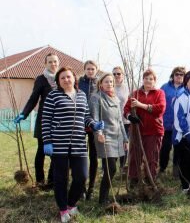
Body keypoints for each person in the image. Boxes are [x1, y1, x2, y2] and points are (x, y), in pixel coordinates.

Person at [41, 66, 104, 222]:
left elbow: (86, 116)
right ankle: (63, 210)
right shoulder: (53, 95)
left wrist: (93, 124)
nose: (66, 80)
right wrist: (47, 141)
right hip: (59, 143)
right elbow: (46, 120)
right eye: (62, 78)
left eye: (68, 77)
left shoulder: (81, 95)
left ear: (74, 78)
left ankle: (70, 204)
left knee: (82, 176)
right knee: (60, 178)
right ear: (58, 81)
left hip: (78, 143)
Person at [13, 53, 59, 190]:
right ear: (45, 64)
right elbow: (34, 98)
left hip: (58, 121)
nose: (53, 64)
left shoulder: (62, 78)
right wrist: (24, 113)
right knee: (41, 151)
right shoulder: (41, 79)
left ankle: (51, 182)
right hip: (44, 120)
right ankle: (40, 181)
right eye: (50, 62)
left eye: (55, 61)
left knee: (55, 153)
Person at [89, 73, 128, 204]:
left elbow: (120, 121)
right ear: (101, 84)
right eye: (106, 82)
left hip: (117, 136)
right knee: (111, 168)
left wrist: (125, 139)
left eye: (111, 82)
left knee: (111, 168)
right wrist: (98, 132)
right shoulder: (96, 98)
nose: (109, 84)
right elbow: (94, 118)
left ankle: (105, 197)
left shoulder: (116, 99)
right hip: (104, 136)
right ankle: (102, 199)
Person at [124, 69, 166, 184]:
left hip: (154, 130)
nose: (148, 81)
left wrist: (140, 105)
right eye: (146, 78)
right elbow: (126, 109)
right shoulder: (135, 93)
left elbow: (160, 108)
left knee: (151, 157)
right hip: (137, 130)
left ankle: (150, 180)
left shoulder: (159, 93)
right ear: (142, 80)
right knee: (134, 156)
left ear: (154, 81)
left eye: (151, 79)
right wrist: (129, 117)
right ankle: (134, 179)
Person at [78, 60, 99, 200]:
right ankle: (81, 187)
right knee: (80, 156)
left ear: (96, 70)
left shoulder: (99, 84)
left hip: (95, 124)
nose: (90, 71)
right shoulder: (78, 83)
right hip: (80, 123)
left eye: (93, 69)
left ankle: (91, 187)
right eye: (88, 69)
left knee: (94, 156)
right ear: (84, 69)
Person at [159, 66, 186, 175]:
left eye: (181, 75)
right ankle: (162, 168)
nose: (179, 76)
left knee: (178, 149)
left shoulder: (186, 88)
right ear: (173, 76)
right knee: (165, 148)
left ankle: (176, 170)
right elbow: (159, 103)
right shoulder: (165, 87)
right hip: (166, 124)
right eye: (177, 74)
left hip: (180, 125)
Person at [112, 66, 130, 170]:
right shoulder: (110, 86)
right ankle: (112, 167)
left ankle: (122, 167)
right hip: (113, 121)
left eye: (118, 73)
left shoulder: (127, 88)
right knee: (114, 144)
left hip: (125, 121)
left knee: (124, 144)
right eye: (114, 74)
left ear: (122, 75)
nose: (116, 76)